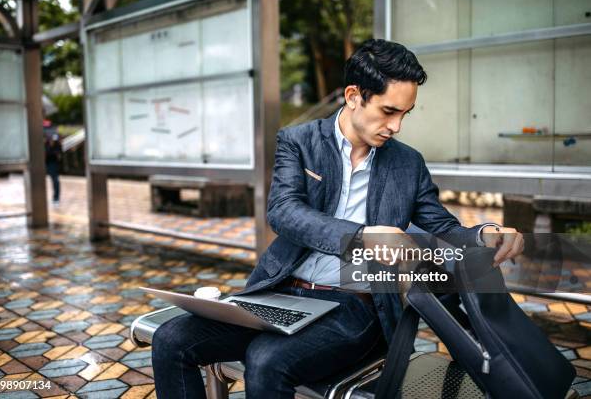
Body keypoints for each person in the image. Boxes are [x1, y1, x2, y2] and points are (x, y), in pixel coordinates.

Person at [151, 39, 525, 399]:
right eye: (389, 111)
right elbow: (283, 211)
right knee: (171, 340)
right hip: (281, 292)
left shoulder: (407, 163)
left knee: (265, 361)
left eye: (405, 114)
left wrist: (487, 233)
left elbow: (442, 228)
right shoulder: (298, 141)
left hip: (355, 306)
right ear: (353, 97)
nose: (396, 127)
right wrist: (361, 236)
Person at [45, 132, 62, 205]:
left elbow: (59, 154)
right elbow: (46, 154)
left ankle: (56, 198)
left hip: (55, 165)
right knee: (54, 181)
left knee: (56, 181)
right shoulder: (46, 144)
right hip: (48, 164)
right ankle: (55, 198)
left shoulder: (57, 144)